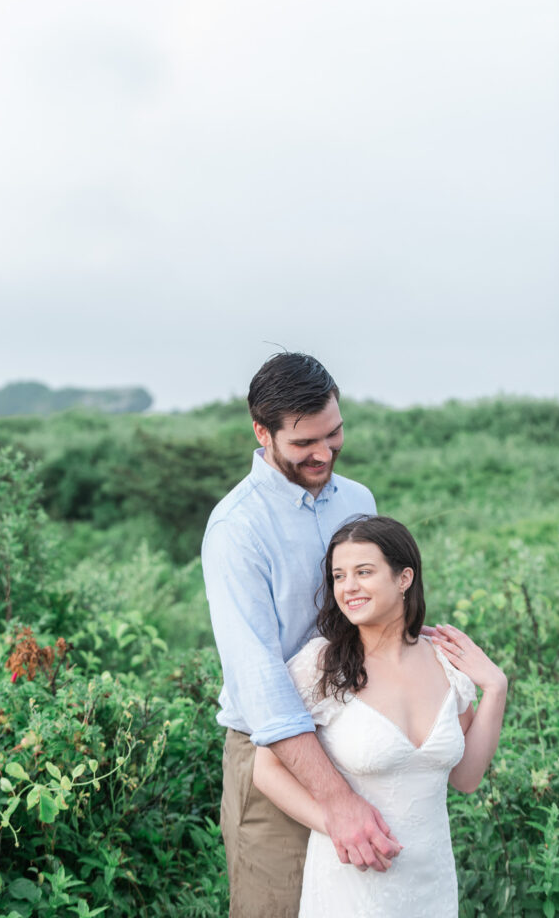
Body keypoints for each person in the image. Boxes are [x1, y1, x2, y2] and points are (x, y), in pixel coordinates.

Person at [202, 352, 402, 918]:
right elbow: (260, 680)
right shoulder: (237, 528)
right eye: (304, 443)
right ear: (262, 432)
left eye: (333, 434)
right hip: (276, 759)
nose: (324, 453)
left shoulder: (358, 501)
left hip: (360, 737)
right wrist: (336, 801)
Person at [253, 515, 508, 917]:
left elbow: (466, 778)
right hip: (352, 884)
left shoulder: (445, 663)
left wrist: (495, 688)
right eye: (339, 575)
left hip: (433, 885)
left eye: (364, 572)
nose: (348, 587)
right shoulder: (320, 665)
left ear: (404, 578)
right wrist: (333, 821)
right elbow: (265, 771)